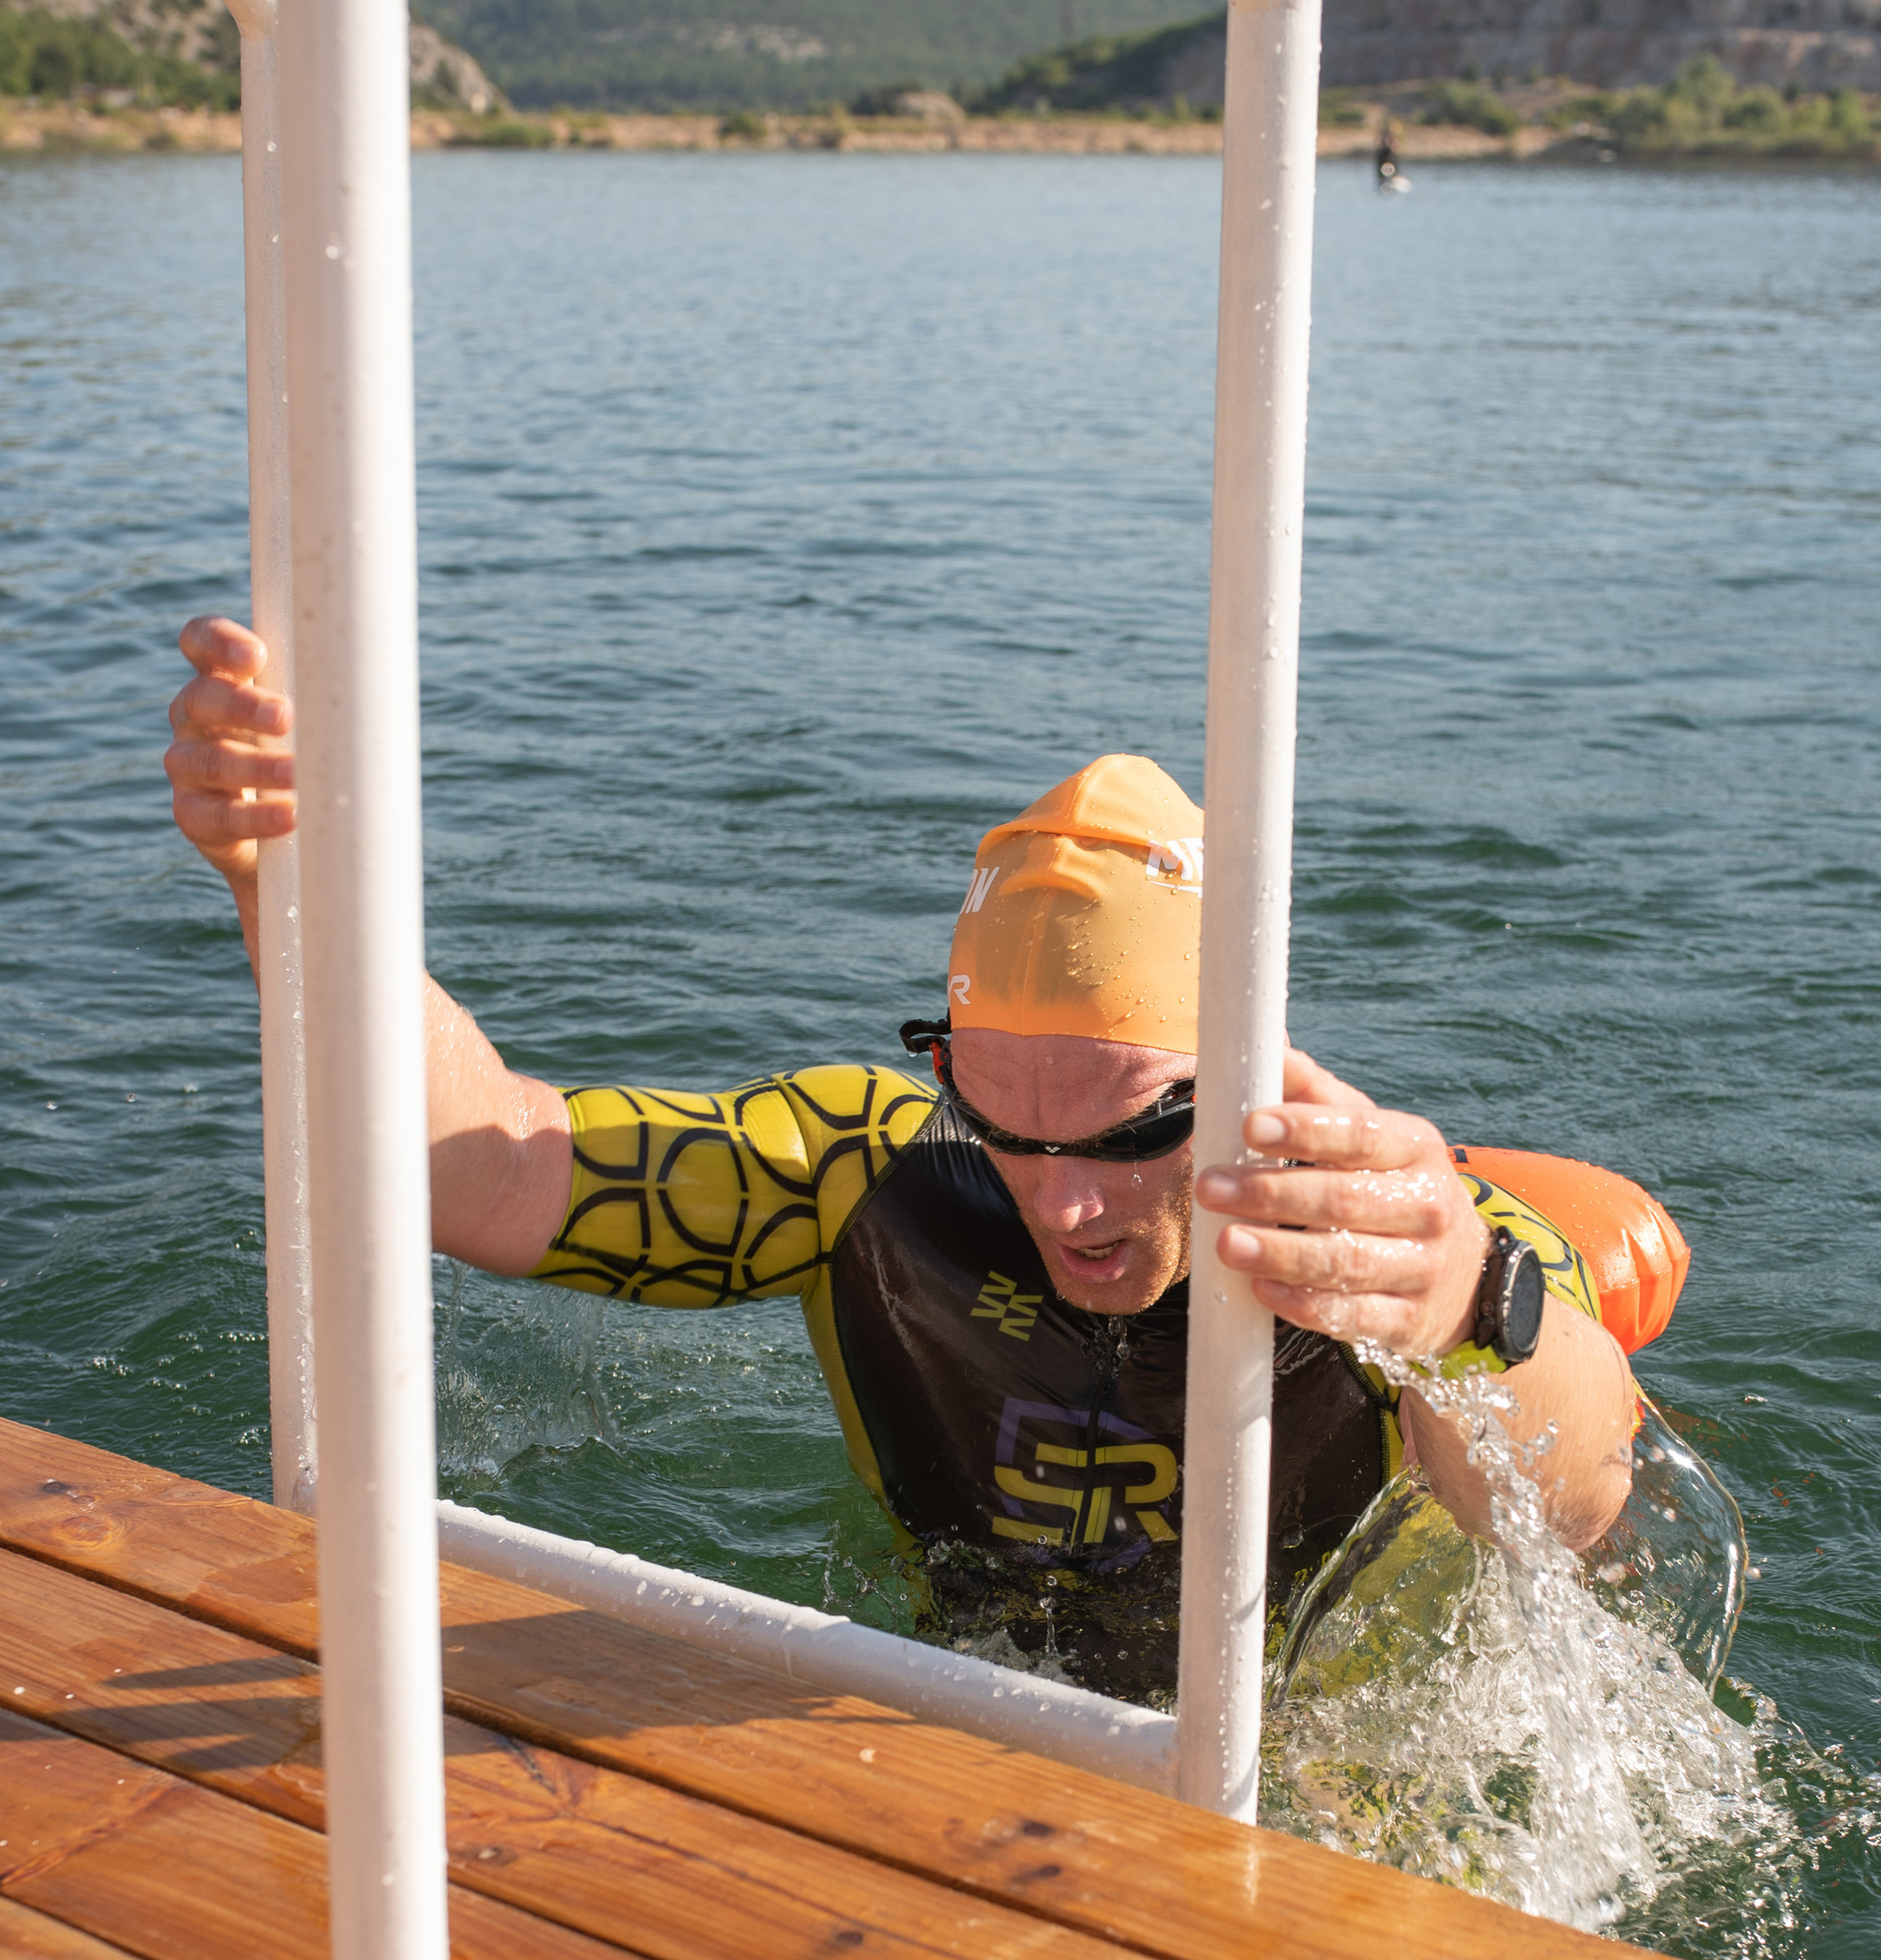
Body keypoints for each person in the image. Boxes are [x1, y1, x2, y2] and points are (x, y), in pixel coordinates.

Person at [165, 615, 1635, 1697]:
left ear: (1243, 1068)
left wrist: (1459, 1297)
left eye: (1131, 1132)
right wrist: (285, 878)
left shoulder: (1386, 1224)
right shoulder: (855, 1171)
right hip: (957, 1699)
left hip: (1320, 1750)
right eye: (998, 1120)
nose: (1062, 1198)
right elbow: (475, 1171)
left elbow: (1584, 1508)